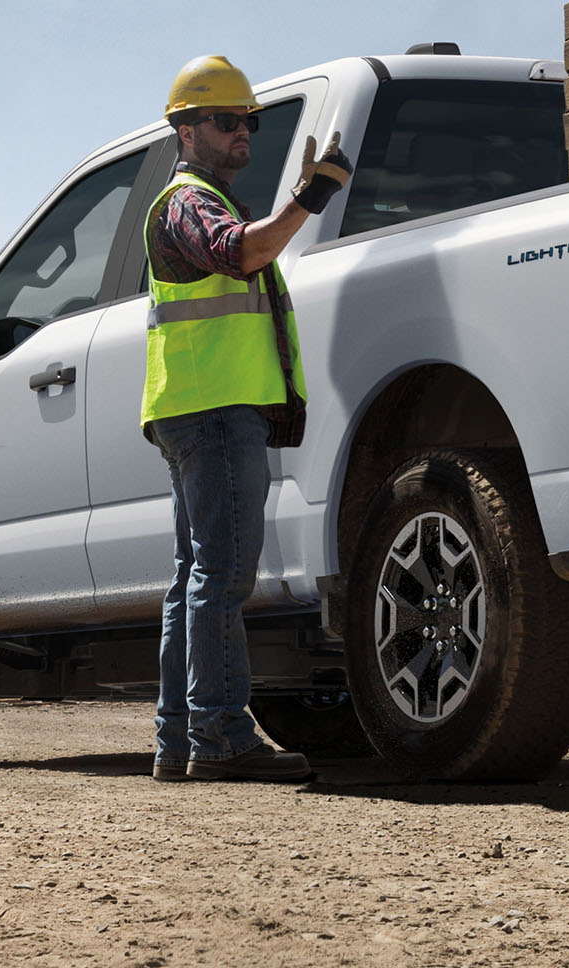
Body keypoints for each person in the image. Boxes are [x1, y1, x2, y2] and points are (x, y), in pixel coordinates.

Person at [141, 54, 354, 782]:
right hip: (212, 406)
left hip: (194, 404)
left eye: (249, 123)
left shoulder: (200, 199)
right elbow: (243, 253)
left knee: (193, 576)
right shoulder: (189, 202)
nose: (244, 135)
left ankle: (179, 740)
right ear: (187, 129)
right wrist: (309, 197)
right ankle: (222, 736)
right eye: (227, 122)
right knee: (220, 577)